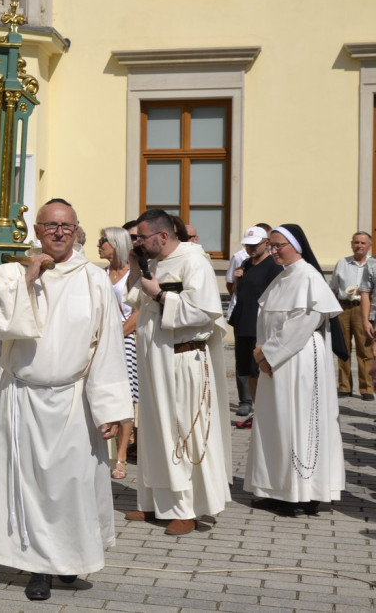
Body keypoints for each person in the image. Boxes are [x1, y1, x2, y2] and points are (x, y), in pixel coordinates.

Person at [0, 198, 133, 602]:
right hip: (24, 396)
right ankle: (38, 567)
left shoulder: (93, 279)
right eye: (50, 225)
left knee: (72, 485)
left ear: (76, 229)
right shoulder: (12, 272)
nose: (58, 232)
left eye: (66, 225)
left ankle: (70, 556)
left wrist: (111, 408)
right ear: (38, 230)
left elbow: (108, 344)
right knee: (30, 487)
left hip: (74, 397)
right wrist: (29, 278)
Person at [124, 209, 232, 537]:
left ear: (163, 236)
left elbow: (203, 312)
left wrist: (159, 294)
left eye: (141, 237)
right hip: (155, 359)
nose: (138, 242)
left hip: (183, 360)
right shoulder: (153, 263)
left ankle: (186, 509)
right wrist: (134, 268)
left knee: (181, 431)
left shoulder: (193, 261)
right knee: (156, 433)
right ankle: (156, 502)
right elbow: (136, 302)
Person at [246, 225, 345, 517]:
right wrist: (264, 353)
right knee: (274, 421)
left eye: (279, 245)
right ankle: (277, 489)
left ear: (297, 246)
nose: (274, 250)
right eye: (272, 245)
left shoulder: (309, 277)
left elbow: (302, 324)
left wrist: (267, 354)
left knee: (299, 421)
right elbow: (268, 321)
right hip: (275, 358)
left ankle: (303, 494)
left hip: (300, 359)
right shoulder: (282, 277)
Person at [228, 226, 281, 427]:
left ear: (266, 243)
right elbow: (237, 293)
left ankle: (268, 414)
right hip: (243, 323)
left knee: (263, 369)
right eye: (247, 245)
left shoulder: (273, 266)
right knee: (248, 370)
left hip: (261, 325)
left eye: (255, 245)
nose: (250, 249)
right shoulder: (245, 263)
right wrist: (237, 279)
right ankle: (258, 414)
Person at [97, 226, 139, 480]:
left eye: (104, 240)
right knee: (105, 396)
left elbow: (138, 313)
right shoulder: (100, 274)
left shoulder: (132, 274)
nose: (99, 244)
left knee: (125, 398)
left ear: (116, 243)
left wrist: (116, 336)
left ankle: (121, 456)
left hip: (126, 341)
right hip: (104, 342)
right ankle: (104, 453)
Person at [328, 231, 374, 401]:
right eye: (356, 242)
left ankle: (367, 388)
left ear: (369, 245)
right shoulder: (342, 263)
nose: (359, 246)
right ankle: (344, 386)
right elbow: (333, 287)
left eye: (363, 243)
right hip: (343, 307)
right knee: (342, 348)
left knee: (365, 348)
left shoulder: (373, 264)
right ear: (351, 244)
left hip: (363, 308)